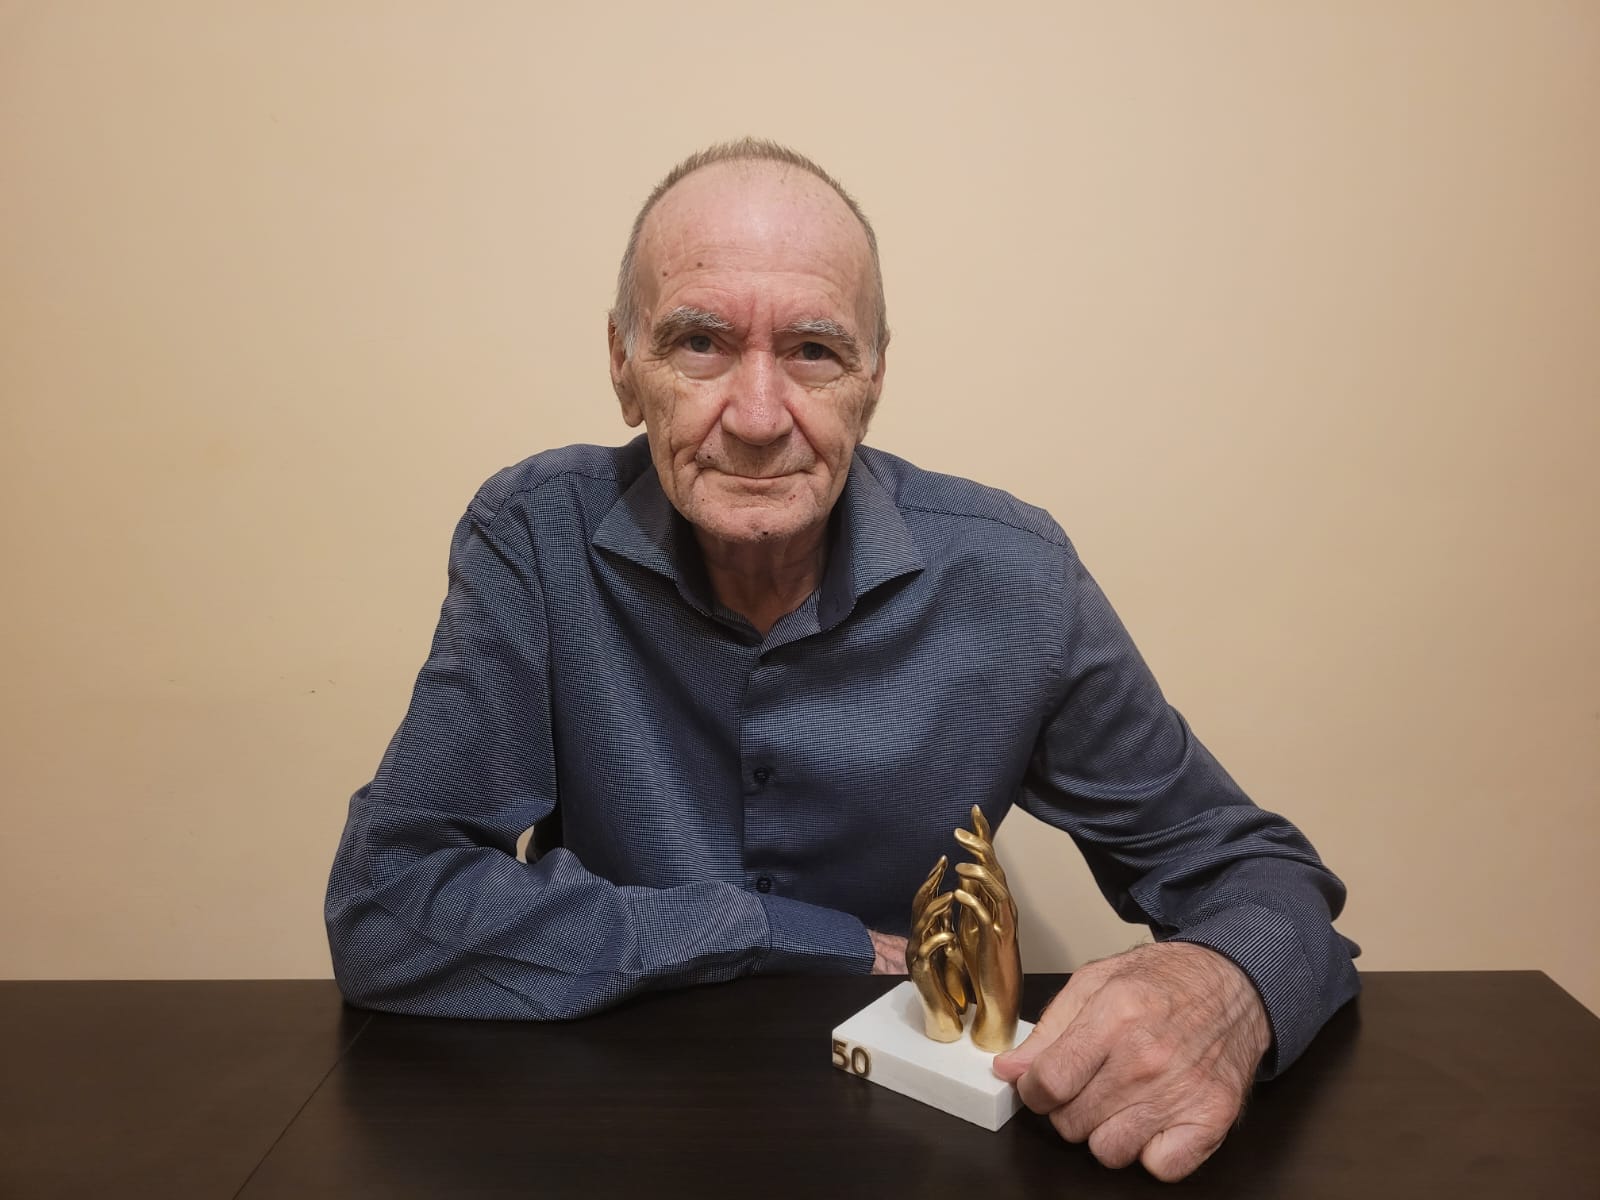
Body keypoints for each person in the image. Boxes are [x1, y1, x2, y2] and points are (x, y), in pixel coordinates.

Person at [325, 138, 1360, 1181]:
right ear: (623, 366)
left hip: (916, 1145)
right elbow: (388, 910)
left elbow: (1253, 873)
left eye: (814, 350)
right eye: (699, 342)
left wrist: (1222, 985)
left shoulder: (1015, 576)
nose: (758, 417)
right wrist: (792, 935)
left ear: (874, 378)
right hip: (610, 1129)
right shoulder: (534, 535)